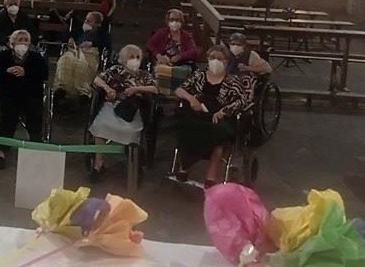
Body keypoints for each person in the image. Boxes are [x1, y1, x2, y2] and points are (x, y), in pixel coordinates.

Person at [174, 44, 250, 187]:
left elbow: (242, 100)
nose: (215, 61)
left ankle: (211, 175)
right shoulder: (199, 75)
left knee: (218, 135)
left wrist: (225, 111)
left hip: (218, 116)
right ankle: (184, 166)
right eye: (212, 58)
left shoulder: (232, 81)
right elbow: (179, 90)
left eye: (220, 59)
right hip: (198, 113)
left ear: (226, 61)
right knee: (186, 126)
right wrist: (191, 99)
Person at [88, 45, 158, 181]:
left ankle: (134, 166)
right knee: (101, 125)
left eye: (138, 57)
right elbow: (97, 79)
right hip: (113, 105)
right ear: (124, 59)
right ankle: (98, 165)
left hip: (132, 108)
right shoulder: (116, 70)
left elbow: (155, 89)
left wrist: (136, 89)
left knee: (132, 131)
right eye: (132, 57)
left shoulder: (144, 75)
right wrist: (108, 89)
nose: (135, 60)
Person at [0, 30, 48, 169]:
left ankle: (35, 149)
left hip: (31, 94)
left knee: (34, 114)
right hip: (9, 93)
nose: (23, 43)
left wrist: (26, 72)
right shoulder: (3, 55)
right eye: (20, 40)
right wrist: (6, 70)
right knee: (8, 115)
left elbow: (44, 74)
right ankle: (2, 151)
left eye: (26, 40)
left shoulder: (36, 57)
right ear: (12, 43)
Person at [53, 12, 104, 100]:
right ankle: (62, 87)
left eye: (89, 21)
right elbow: (66, 35)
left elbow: (105, 44)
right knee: (65, 60)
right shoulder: (80, 31)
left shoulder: (101, 34)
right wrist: (70, 38)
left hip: (90, 54)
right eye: (86, 20)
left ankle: (83, 91)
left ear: (97, 24)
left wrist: (92, 43)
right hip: (75, 51)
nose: (86, 22)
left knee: (82, 64)